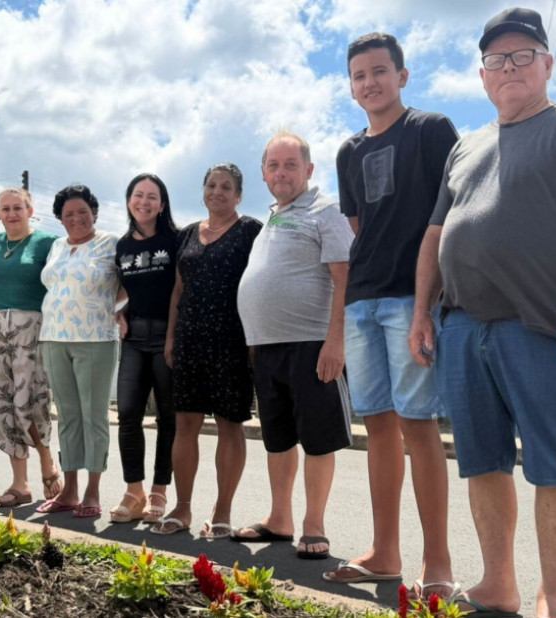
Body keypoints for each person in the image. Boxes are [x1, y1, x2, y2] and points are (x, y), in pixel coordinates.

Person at [411, 8, 556, 617]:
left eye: (522, 56)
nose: (509, 67)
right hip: (462, 328)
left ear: (546, 65)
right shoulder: (464, 149)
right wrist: (423, 311)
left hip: (545, 327)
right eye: (496, 60)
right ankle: (497, 582)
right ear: (482, 76)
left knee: (554, 466)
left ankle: (553, 597)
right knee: (482, 462)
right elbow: (434, 235)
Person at [323, 33, 459, 596]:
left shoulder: (432, 130)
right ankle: (385, 552)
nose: (369, 82)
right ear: (351, 87)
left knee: (418, 426)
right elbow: (359, 228)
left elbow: (450, 213)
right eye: (358, 75)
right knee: (377, 426)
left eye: (379, 71)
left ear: (402, 75)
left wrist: (428, 301)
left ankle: (439, 564)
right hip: (361, 300)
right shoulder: (347, 152)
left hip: (411, 299)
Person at [231, 132, 353, 560]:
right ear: (264, 173)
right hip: (267, 349)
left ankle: (313, 523)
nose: (281, 172)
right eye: (273, 165)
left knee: (318, 439)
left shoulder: (325, 210)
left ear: (308, 170)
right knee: (278, 439)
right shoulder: (272, 218)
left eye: (290, 164)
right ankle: (279, 519)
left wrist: (335, 342)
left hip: (313, 344)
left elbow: (345, 278)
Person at [151, 163, 262, 537]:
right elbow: (177, 291)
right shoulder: (186, 235)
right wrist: (170, 337)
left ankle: (222, 511)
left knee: (231, 426)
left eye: (226, 186)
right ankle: (181, 509)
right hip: (190, 340)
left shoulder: (251, 230)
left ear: (238, 195)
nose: (218, 191)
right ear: (203, 190)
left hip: (233, 341)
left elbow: (259, 286)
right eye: (212, 184)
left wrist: (254, 340)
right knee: (185, 425)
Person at [35, 184, 120, 519]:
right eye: (68, 214)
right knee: (67, 416)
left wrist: (122, 312)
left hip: (96, 338)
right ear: (60, 219)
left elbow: (128, 284)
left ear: (94, 213)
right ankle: (68, 491)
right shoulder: (56, 246)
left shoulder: (111, 243)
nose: (76, 218)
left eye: (83, 212)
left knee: (93, 415)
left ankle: (92, 490)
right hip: (54, 337)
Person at [0, 188, 62, 508]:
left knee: (28, 399)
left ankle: (46, 460)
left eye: (18, 208)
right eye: (6, 209)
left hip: (31, 329)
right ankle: (20, 484)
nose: (12, 213)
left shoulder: (46, 243)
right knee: (1, 403)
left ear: (30, 210)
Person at [110, 173, 178, 524]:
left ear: (162, 204)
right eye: (138, 195)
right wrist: (120, 313)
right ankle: (133, 490)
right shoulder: (122, 246)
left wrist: (177, 335)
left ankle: (159, 491)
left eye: (152, 197)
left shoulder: (177, 240)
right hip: (134, 338)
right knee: (128, 415)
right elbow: (118, 291)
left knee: (168, 418)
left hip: (168, 336)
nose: (144, 202)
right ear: (128, 200)